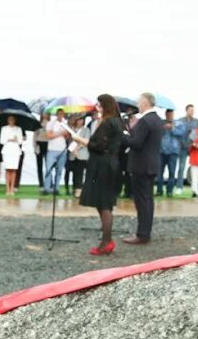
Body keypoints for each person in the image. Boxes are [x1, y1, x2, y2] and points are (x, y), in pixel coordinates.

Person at [80, 94, 124, 255]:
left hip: (103, 165)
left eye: (99, 104)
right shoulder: (117, 122)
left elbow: (98, 145)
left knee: (104, 204)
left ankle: (106, 242)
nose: (97, 107)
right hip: (110, 163)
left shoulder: (108, 123)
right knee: (103, 203)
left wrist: (81, 140)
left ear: (105, 106)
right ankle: (106, 240)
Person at [122, 93, 163, 244]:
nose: (137, 105)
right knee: (148, 200)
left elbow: (137, 143)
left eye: (139, 102)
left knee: (142, 201)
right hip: (150, 164)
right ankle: (145, 232)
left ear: (145, 103)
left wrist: (124, 136)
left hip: (141, 165)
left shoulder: (145, 121)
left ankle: (142, 234)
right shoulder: (157, 119)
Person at [156, 108, 185, 197]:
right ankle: (159, 191)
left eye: (171, 114)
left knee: (171, 173)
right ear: (165, 114)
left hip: (173, 152)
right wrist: (163, 128)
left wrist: (172, 128)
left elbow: (181, 133)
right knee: (159, 172)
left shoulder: (179, 124)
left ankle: (169, 191)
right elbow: (156, 133)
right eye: (168, 114)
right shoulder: (161, 123)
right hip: (162, 151)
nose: (169, 116)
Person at [44, 108, 70, 194]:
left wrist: (65, 134)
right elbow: (48, 135)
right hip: (52, 149)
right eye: (59, 114)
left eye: (62, 114)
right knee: (48, 169)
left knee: (59, 170)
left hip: (62, 150)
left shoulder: (65, 124)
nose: (60, 115)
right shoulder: (51, 123)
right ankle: (47, 188)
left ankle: (56, 188)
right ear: (56, 114)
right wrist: (60, 133)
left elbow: (67, 137)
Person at [0, 114, 23, 196]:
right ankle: (7, 188)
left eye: (12, 119)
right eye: (10, 119)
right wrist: (9, 139)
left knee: (14, 170)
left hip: (15, 150)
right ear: (8, 120)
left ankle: (12, 188)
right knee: (7, 169)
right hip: (7, 150)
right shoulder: (4, 128)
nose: (11, 121)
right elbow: (1, 140)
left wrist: (16, 139)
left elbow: (21, 141)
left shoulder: (18, 129)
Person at [176, 104, 197, 191]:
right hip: (182, 147)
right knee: (181, 167)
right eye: (190, 110)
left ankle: (195, 188)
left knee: (195, 168)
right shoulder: (180, 121)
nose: (192, 112)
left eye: (193, 110)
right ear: (186, 111)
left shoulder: (196, 121)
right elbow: (177, 134)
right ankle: (179, 187)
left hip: (193, 148)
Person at [34, 112, 49, 193]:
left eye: (46, 114)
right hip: (39, 144)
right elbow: (35, 136)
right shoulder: (38, 124)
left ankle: (49, 183)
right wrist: (35, 147)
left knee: (48, 165)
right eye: (44, 113)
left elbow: (50, 134)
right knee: (39, 166)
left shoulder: (50, 124)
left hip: (47, 145)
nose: (45, 115)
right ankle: (41, 183)